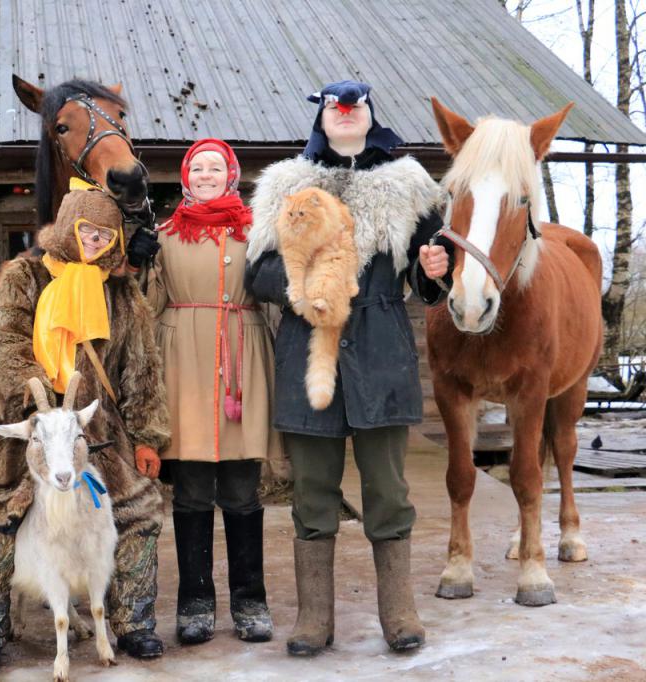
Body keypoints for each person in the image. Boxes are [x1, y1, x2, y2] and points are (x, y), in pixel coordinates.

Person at [244, 80, 451, 656]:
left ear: (368, 116)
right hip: (308, 348)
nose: (344, 115)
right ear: (322, 120)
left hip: (381, 347)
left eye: (354, 107)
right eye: (335, 109)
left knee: (387, 488)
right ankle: (314, 618)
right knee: (312, 491)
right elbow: (256, 274)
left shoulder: (410, 187)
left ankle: (399, 613)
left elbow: (430, 275)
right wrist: (303, 286)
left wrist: (437, 266)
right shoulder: (287, 185)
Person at [0, 183, 171, 680]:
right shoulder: (23, 276)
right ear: (68, 227)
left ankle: (132, 621)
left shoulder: (120, 292)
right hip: (26, 425)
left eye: (105, 234)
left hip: (97, 432)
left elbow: (141, 369)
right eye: (86, 230)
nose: (95, 241)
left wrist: (146, 436)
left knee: (137, 512)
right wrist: (38, 397)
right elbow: (4, 339)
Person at [143, 139, 283, 645]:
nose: (205, 174)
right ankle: (195, 602)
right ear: (185, 176)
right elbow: (146, 304)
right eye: (196, 167)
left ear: (232, 174)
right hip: (183, 364)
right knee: (193, 491)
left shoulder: (258, 232)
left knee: (244, 490)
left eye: (215, 167)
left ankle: (251, 601)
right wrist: (137, 266)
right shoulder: (163, 236)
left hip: (243, 358)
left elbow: (277, 294)